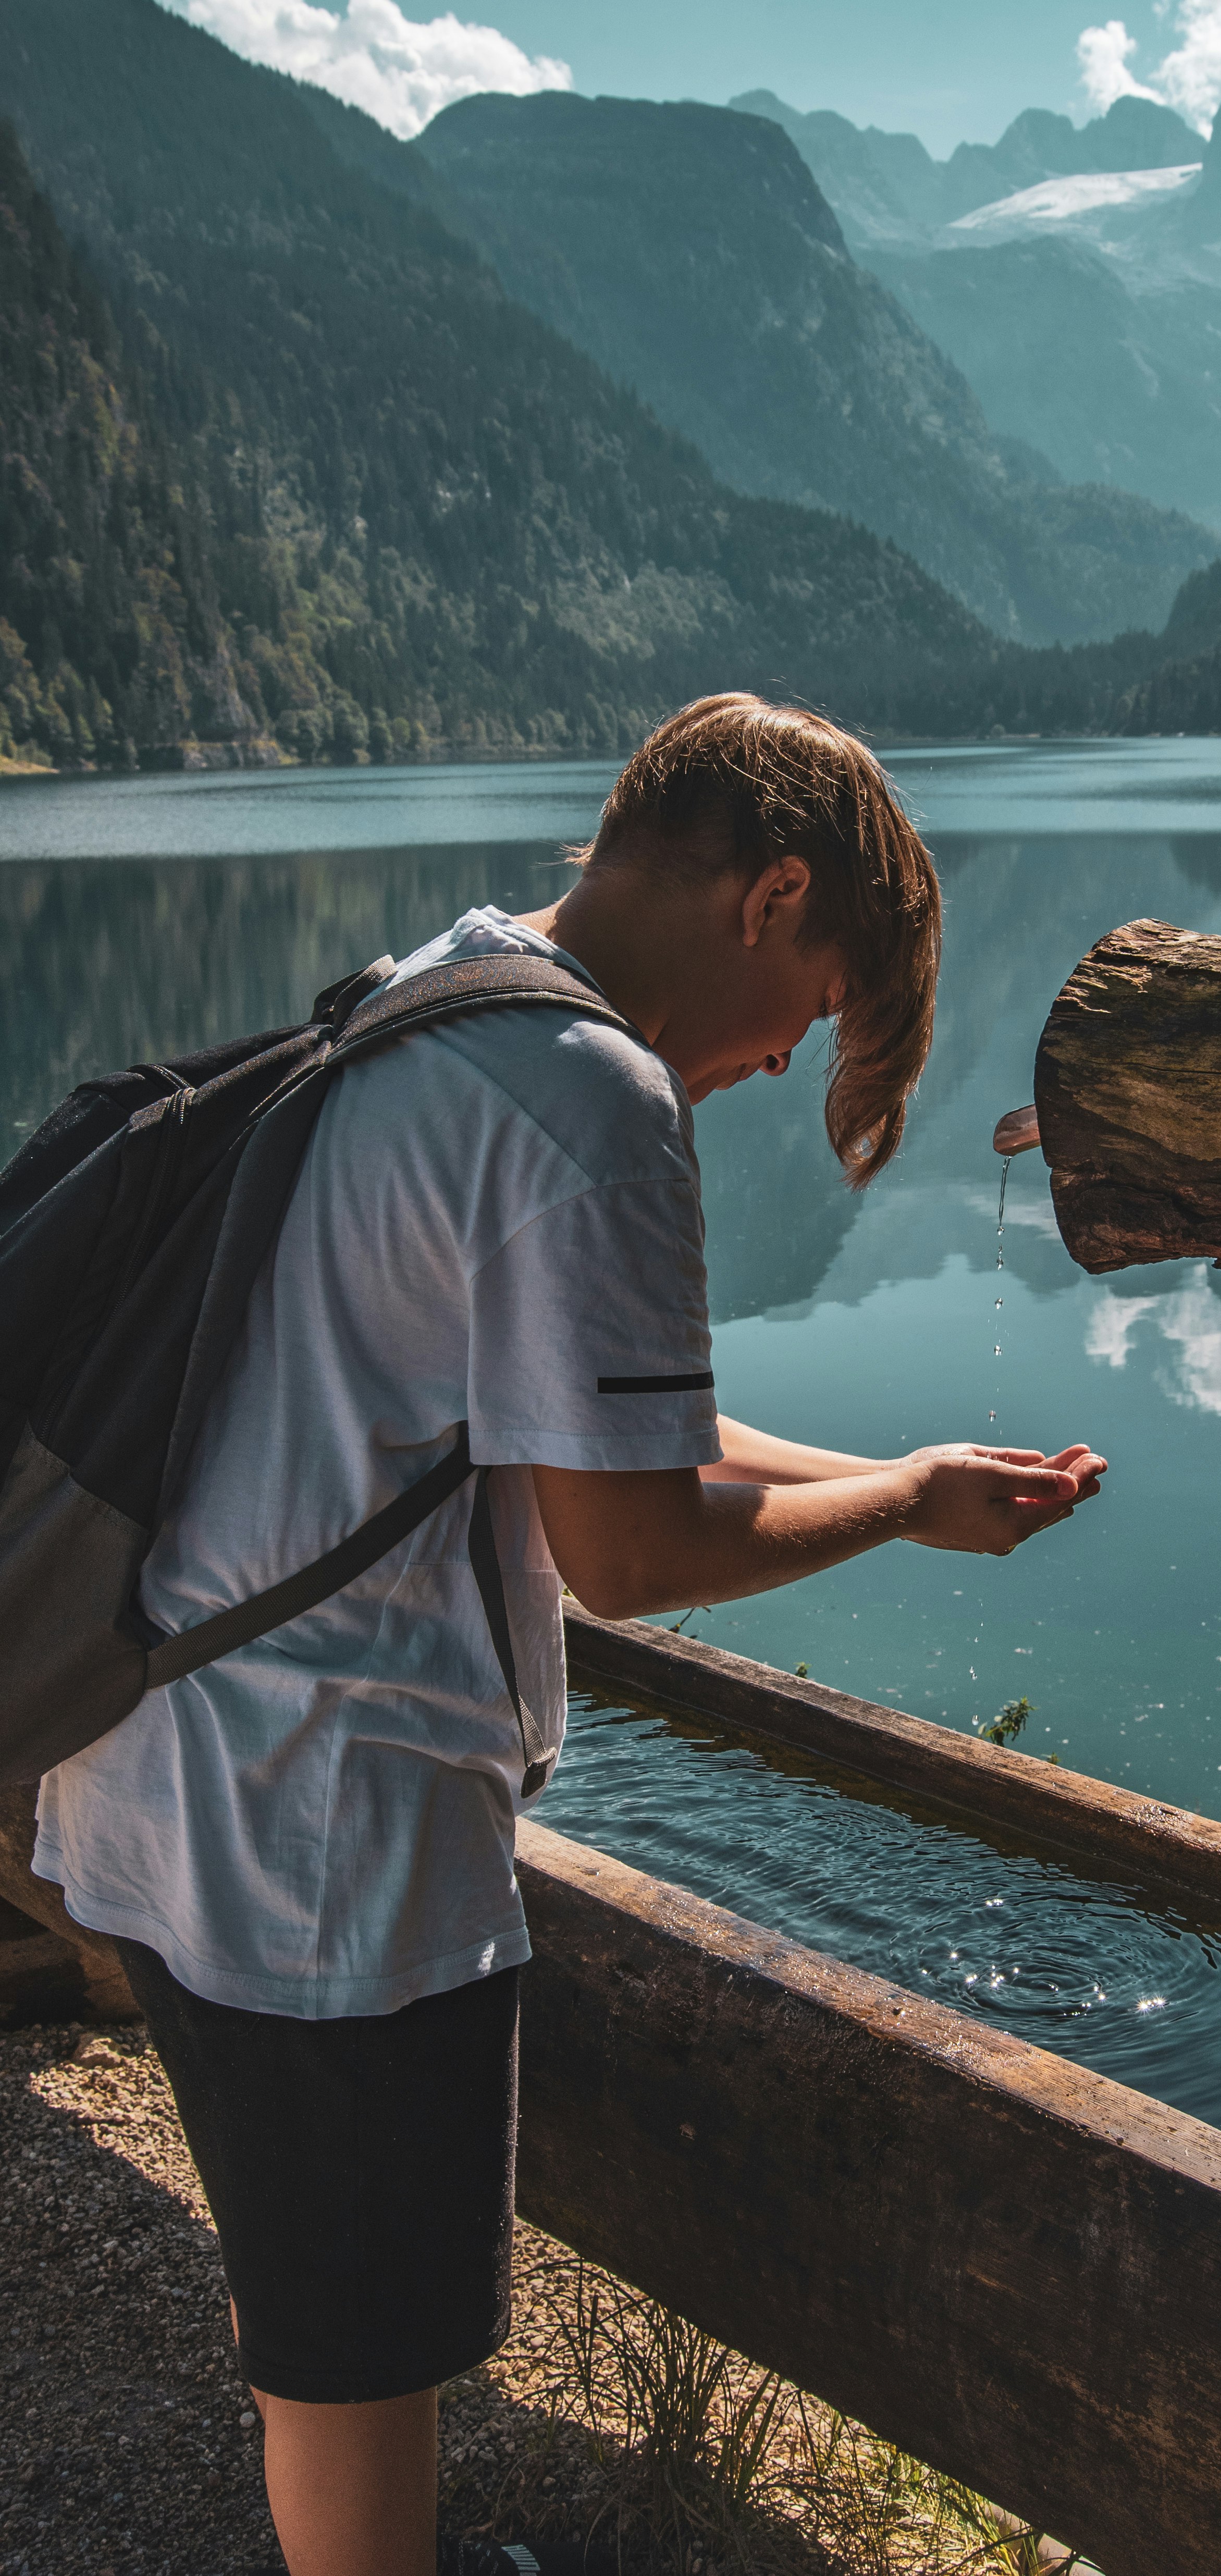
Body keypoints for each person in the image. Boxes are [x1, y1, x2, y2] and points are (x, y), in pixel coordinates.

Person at [31, 694, 1105, 2576]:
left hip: (167, 1759)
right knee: (365, 2329)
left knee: (305, 2276)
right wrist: (905, 1512)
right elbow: (619, 1545)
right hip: (331, 1842)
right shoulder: (592, 1102)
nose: (787, 1066)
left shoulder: (445, 987)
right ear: (771, 895)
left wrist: (902, 1468)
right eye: (821, 1006)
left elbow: (593, 1425)